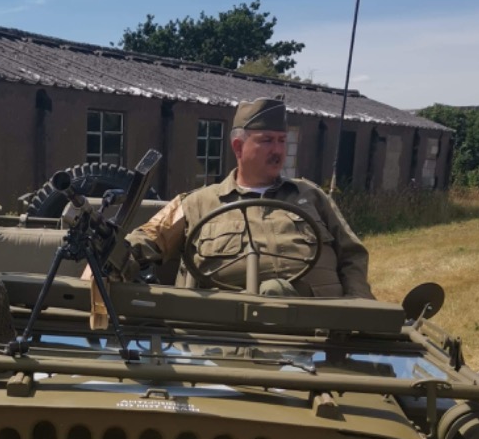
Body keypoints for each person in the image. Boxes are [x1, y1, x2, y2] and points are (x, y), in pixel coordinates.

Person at [118, 97, 373, 297]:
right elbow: (144, 241)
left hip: (324, 334)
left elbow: (352, 255)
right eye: (267, 141)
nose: (278, 151)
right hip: (226, 338)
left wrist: (358, 307)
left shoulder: (312, 196)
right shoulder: (196, 203)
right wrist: (107, 266)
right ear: (238, 147)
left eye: (282, 141)